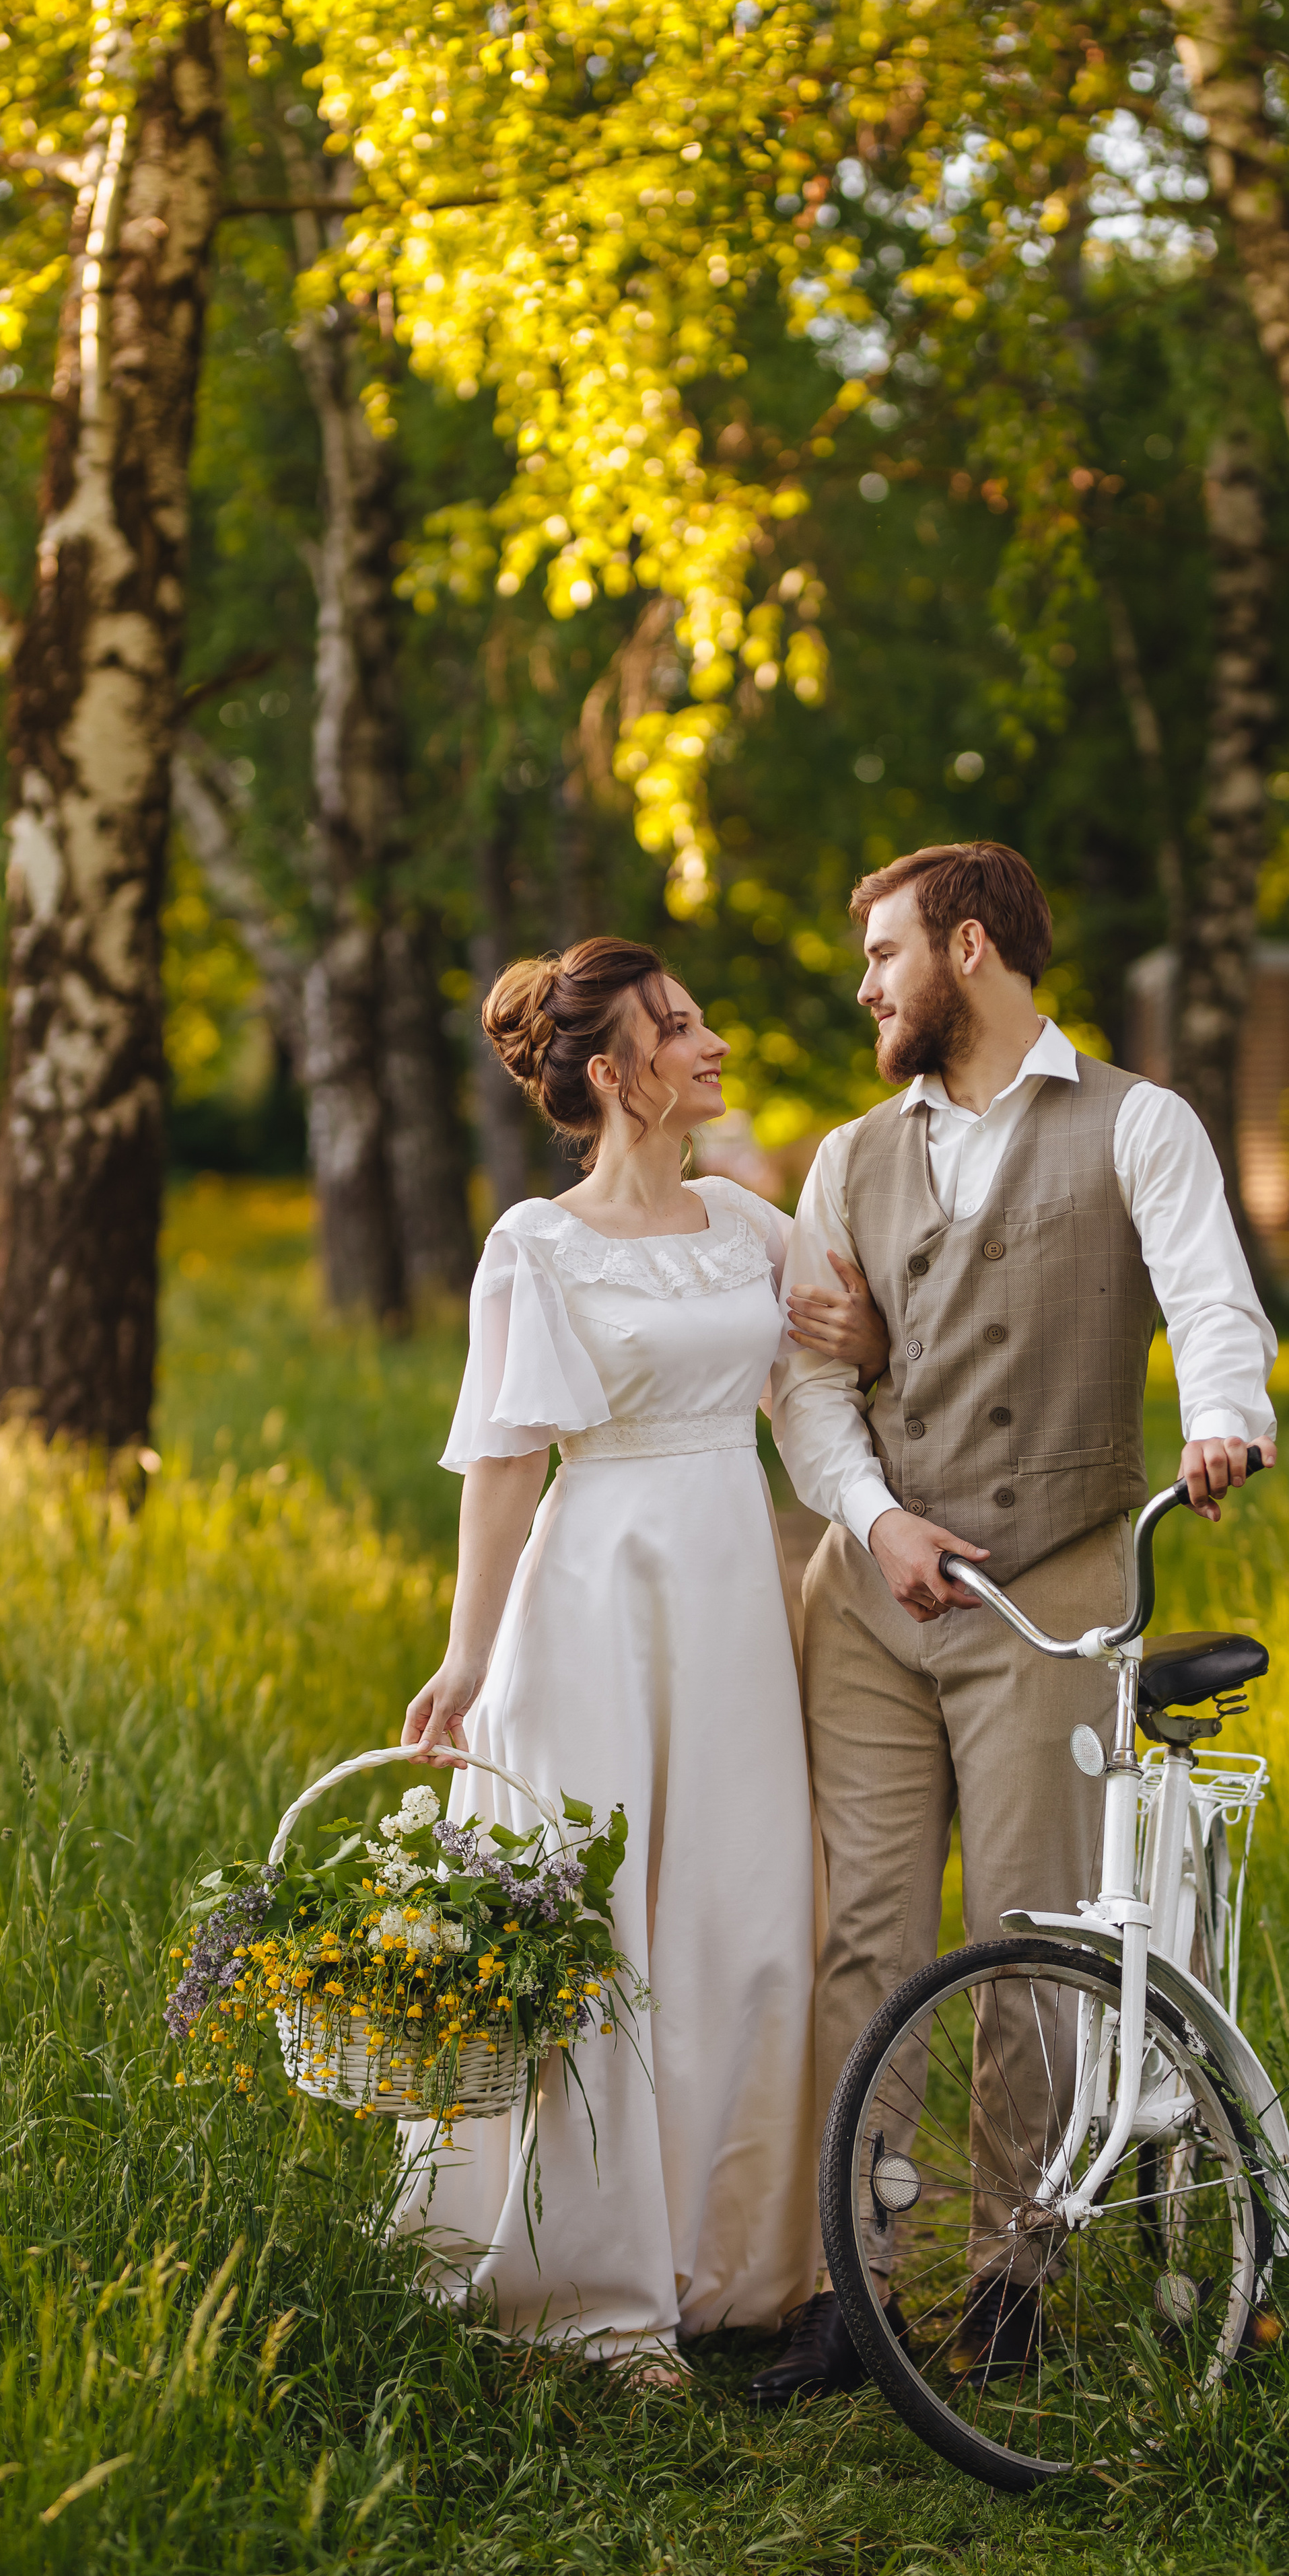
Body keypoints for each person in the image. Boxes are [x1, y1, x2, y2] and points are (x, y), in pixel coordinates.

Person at [757, 842, 1278, 2404]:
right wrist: (874, 1518)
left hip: (1049, 1587)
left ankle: (1007, 2281)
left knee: (1028, 1936)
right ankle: (858, 2282)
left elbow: (1208, 1297)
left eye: (882, 954)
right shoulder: (850, 1151)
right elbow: (806, 1382)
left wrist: (1225, 1417)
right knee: (862, 1937)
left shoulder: (1138, 1123)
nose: (863, 987)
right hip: (869, 1594)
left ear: (967, 951)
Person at [392, 936, 889, 2382]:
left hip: (735, 1596)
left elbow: (831, 1366)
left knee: (741, 1918)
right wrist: (465, 1655)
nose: (710, 1043)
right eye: (678, 1029)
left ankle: (735, 2265)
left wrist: (853, 1333)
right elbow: (502, 1461)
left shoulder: (747, 1222)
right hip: (594, 1599)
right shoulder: (533, 1248)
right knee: (595, 1925)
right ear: (613, 1075)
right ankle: (586, 2290)